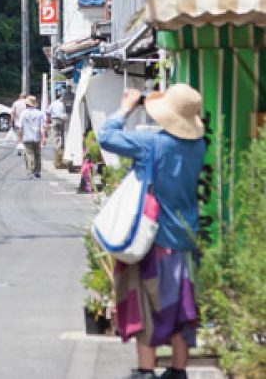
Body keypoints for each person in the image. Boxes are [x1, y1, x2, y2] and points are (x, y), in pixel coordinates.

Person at [97, 85, 206, 379]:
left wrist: (126, 107)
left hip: (154, 241)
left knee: (146, 307)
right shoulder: (198, 145)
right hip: (185, 239)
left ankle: (146, 371)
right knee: (181, 311)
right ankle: (178, 371)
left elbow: (105, 136)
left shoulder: (152, 143)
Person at [18, 95, 46, 178]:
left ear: (27, 104)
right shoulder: (39, 113)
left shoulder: (23, 113)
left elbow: (21, 127)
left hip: (26, 136)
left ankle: (30, 170)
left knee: (29, 154)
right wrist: (43, 137)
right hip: (37, 136)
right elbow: (42, 127)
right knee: (37, 154)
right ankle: (37, 171)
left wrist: (19, 138)